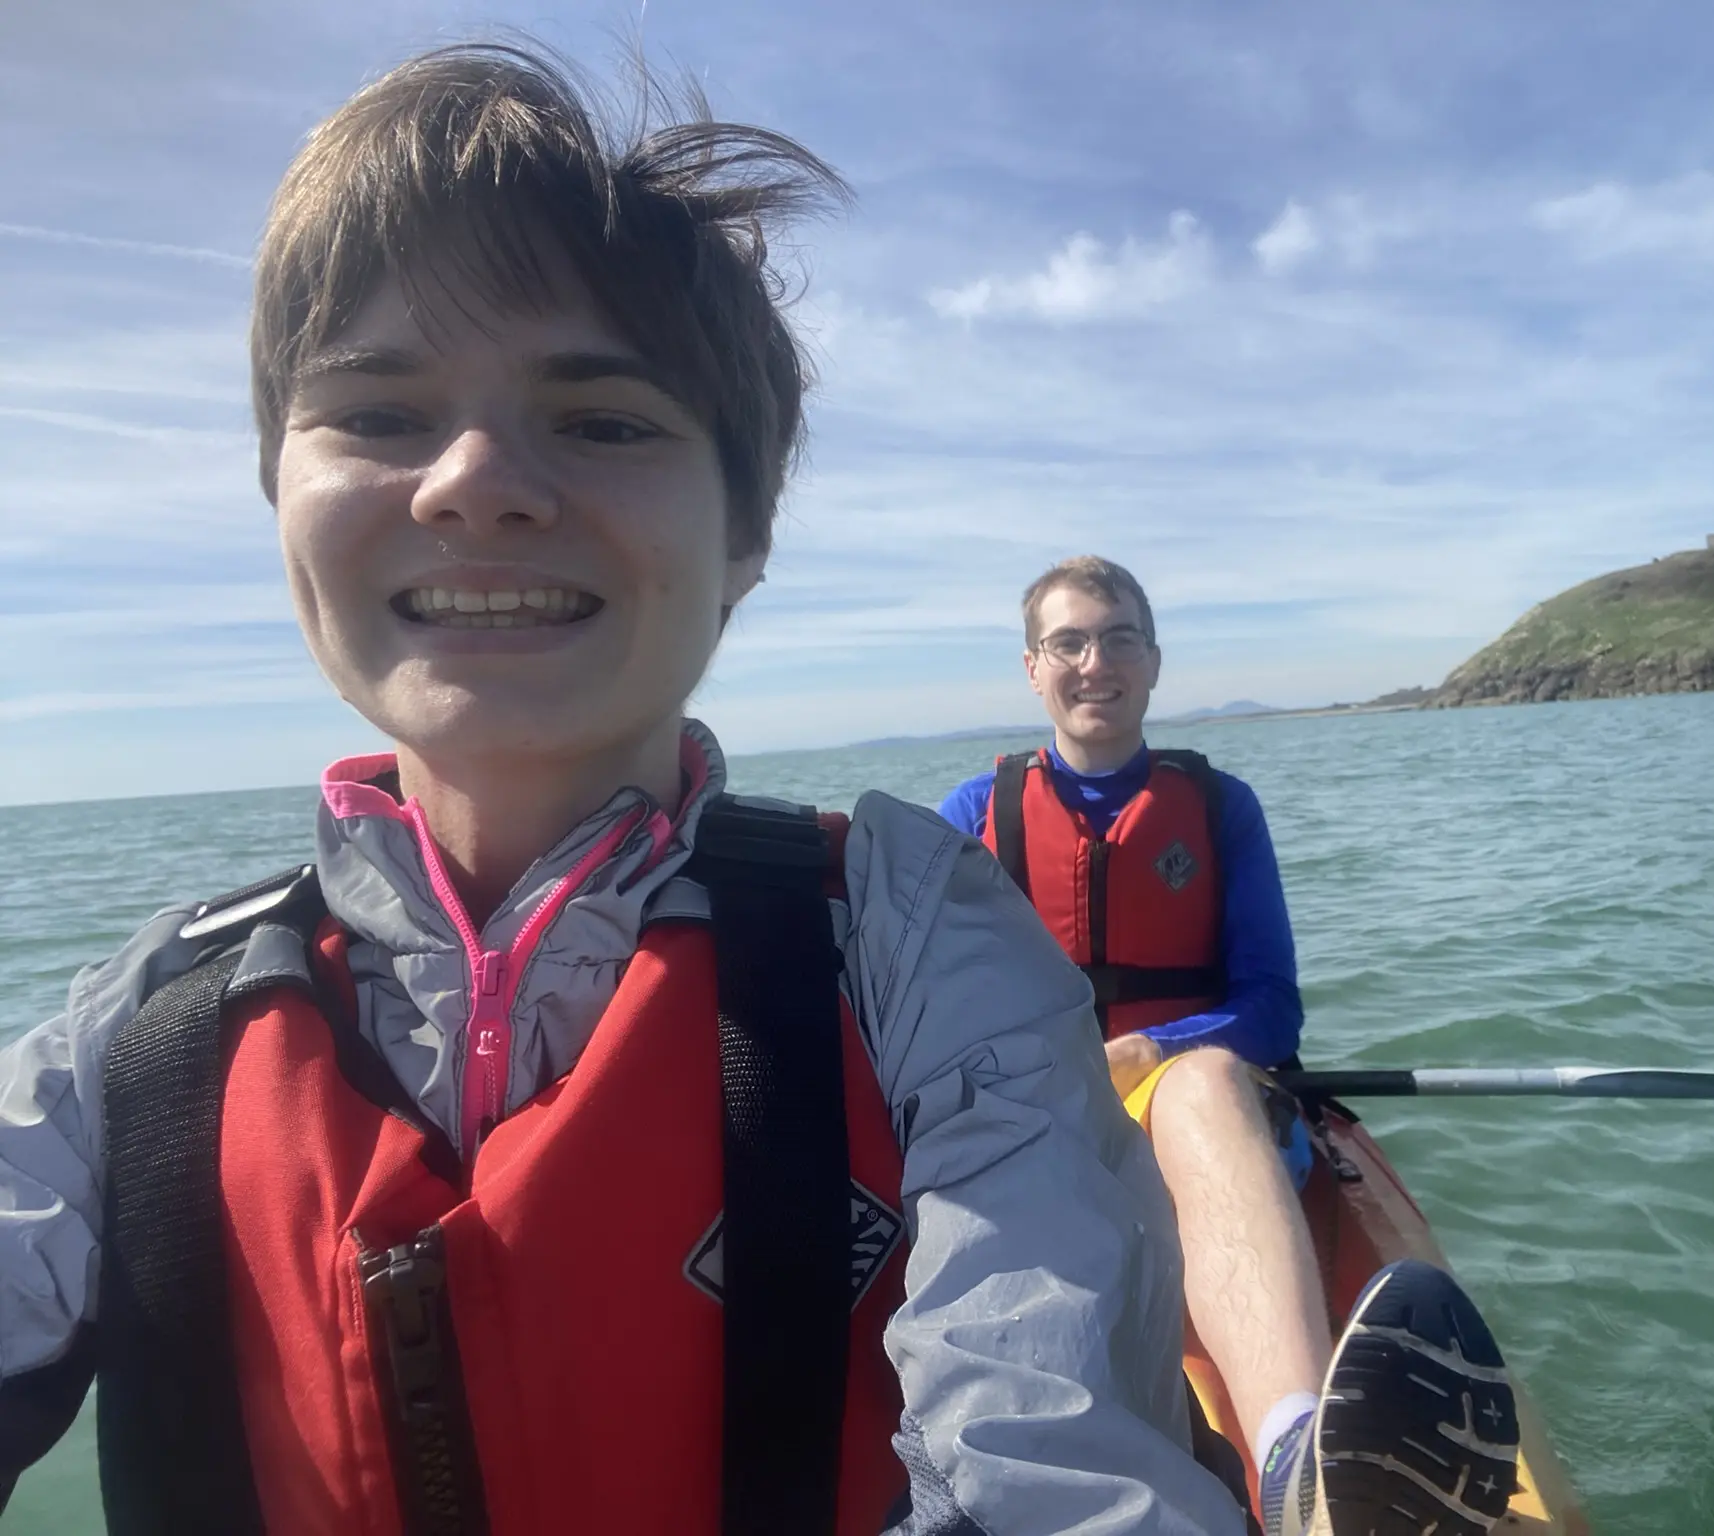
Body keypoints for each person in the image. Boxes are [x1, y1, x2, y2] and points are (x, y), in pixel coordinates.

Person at [0, 49, 1255, 1536]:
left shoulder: (919, 950)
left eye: (604, 419)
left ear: (746, 535)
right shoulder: (127, 1052)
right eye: (379, 415)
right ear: (277, 491)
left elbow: (1058, 1467)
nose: (472, 480)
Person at [941, 557, 1524, 1536]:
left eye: (1119, 637)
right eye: (1070, 642)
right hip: (1043, 1118)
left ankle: (1296, 1461)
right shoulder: (970, 819)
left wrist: (1148, 1052)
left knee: (1206, 1081)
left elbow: (1270, 1010)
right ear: (1032, 668)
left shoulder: (1219, 810)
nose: (1096, 661)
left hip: (1193, 1104)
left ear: (1154, 661)